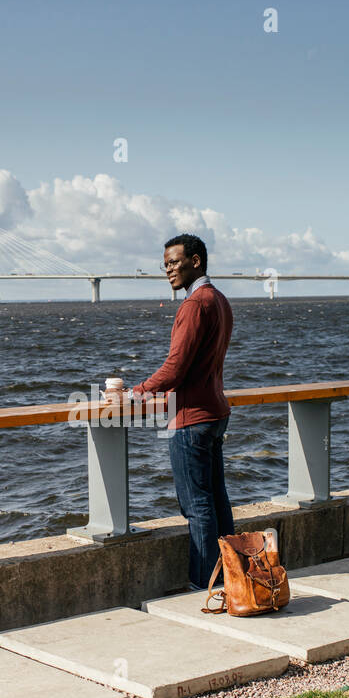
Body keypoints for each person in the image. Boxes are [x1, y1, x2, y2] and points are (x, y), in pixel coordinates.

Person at [127, 234, 235, 591]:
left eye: (175, 262)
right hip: (216, 413)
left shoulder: (193, 305)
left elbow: (175, 368)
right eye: (166, 264)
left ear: (196, 261)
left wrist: (136, 393)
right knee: (217, 501)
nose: (168, 270)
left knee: (197, 507)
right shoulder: (219, 301)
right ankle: (232, 578)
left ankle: (204, 585)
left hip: (191, 418)